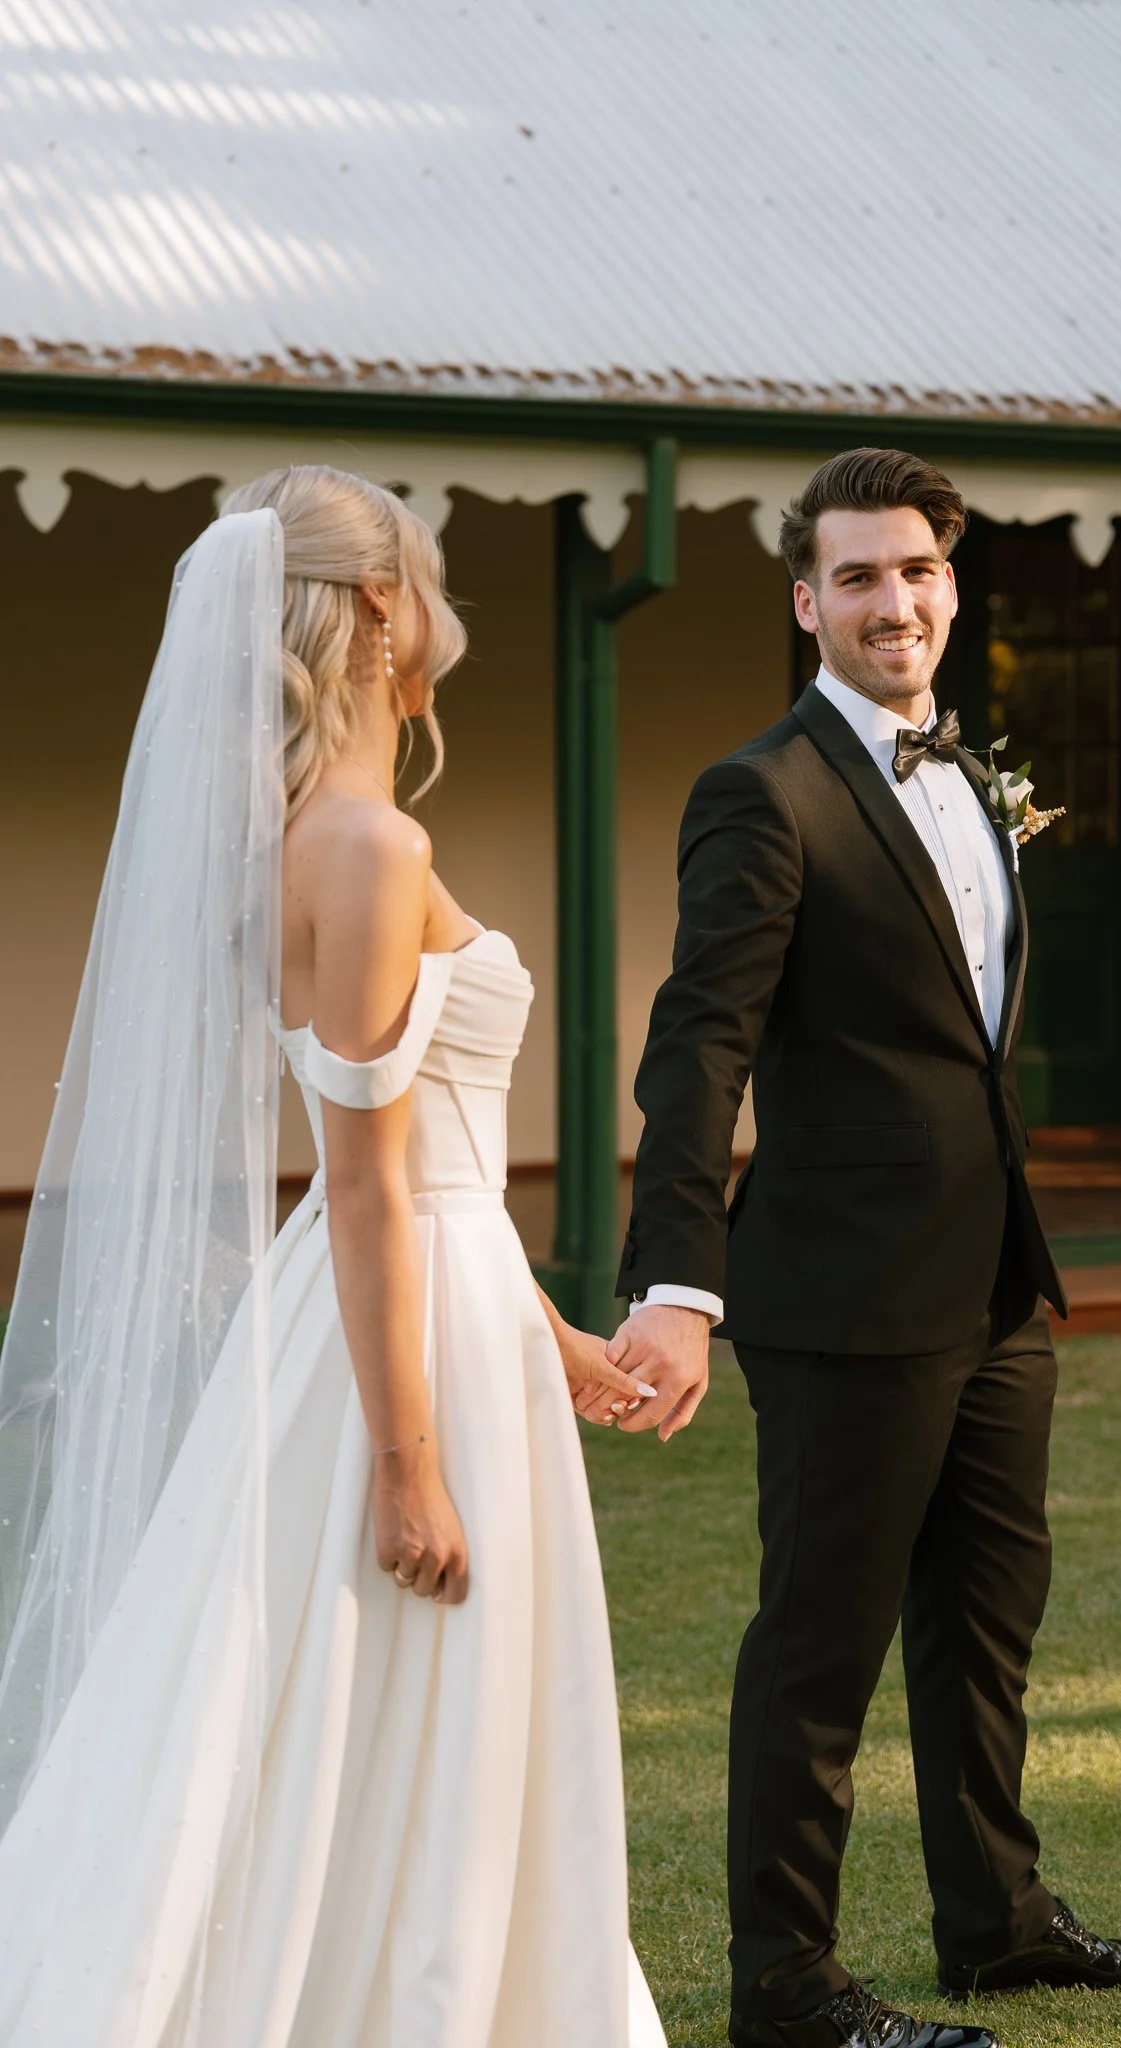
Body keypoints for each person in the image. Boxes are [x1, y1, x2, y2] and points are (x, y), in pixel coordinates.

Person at [0, 466, 667, 2048]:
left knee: (386, 1723)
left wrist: (546, 1336)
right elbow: (369, 1183)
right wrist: (407, 1464)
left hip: (440, 1304)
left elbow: (420, 1170)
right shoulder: (362, 843)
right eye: (425, 579)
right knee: (392, 1710)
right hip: (394, 1345)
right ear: (379, 606)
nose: (442, 610)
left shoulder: (328, 832)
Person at [606, 449, 1121, 2048]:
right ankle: (787, 1991)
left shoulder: (969, 778)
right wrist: (674, 1286)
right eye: (856, 577)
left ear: (951, 583)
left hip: (997, 1281)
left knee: (989, 1617)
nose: (894, 601)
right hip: (842, 1299)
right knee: (818, 1653)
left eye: (916, 570)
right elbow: (697, 1047)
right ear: (807, 605)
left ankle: (994, 1923)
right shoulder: (762, 793)